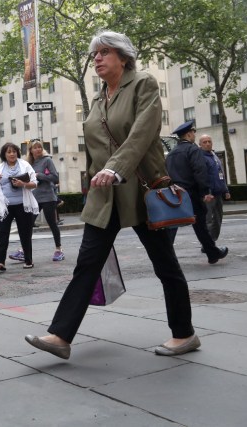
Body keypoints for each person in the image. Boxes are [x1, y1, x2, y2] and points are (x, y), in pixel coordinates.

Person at [25, 31, 199, 360]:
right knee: (87, 263)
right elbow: (95, 145)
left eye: (104, 52)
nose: (97, 59)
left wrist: (116, 168)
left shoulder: (143, 84)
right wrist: (92, 180)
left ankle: (185, 334)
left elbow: (143, 131)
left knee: (165, 265)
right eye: (94, 54)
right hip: (105, 196)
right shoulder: (99, 98)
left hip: (142, 191)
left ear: (123, 57)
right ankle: (60, 336)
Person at [166, 122, 228, 264]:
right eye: (193, 133)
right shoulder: (193, 150)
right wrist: (205, 191)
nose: (194, 135)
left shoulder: (171, 153)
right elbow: (200, 171)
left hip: (175, 193)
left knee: (173, 225)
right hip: (191, 194)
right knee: (201, 225)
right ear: (188, 134)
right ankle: (213, 253)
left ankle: (167, 257)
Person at [0, 142, 38, 270]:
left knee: (25, 233)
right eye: (8, 152)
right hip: (5, 207)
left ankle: (28, 260)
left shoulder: (25, 165)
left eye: (14, 151)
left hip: (22, 205)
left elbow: (34, 183)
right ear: (4, 154)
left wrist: (23, 184)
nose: (12, 154)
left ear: (17, 153)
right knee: (2, 233)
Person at [28, 140, 65, 261]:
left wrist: (39, 175)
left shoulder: (47, 160)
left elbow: (55, 178)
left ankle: (59, 250)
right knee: (28, 225)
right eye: (35, 148)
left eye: (40, 147)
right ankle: (24, 250)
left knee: (52, 223)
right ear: (31, 150)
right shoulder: (28, 164)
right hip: (35, 197)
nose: (38, 149)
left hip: (48, 197)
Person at [198, 134, 230, 241]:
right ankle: (207, 243)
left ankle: (212, 240)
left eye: (209, 141)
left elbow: (221, 174)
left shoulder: (214, 156)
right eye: (204, 142)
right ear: (200, 144)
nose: (207, 144)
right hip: (208, 194)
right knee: (208, 220)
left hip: (218, 193)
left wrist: (226, 190)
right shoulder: (200, 158)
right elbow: (201, 177)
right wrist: (205, 192)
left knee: (218, 219)